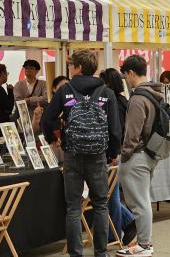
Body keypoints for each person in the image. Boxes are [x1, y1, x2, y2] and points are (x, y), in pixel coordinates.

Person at [43, 51, 122, 257]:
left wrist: (54, 138)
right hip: (98, 155)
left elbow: (48, 117)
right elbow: (115, 129)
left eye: (71, 66)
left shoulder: (65, 90)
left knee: (73, 208)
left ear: (78, 67)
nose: (69, 69)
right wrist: (113, 152)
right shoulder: (106, 92)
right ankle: (101, 253)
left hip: (73, 154)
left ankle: (75, 254)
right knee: (101, 205)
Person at [116, 55, 162, 257]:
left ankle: (144, 244)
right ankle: (144, 243)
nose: (126, 80)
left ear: (131, 73)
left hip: (137, 155)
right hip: (151, 153)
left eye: (126, 76)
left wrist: (124, 155)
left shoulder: (137, 98)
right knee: (143, 200)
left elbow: (132, 133)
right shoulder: (155, 93)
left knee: (138, 203)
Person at [99, 68, 137, 245]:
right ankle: (128, 222)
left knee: (110, 195)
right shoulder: (123, 100)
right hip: (120, 151)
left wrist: (113, 151)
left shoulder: (112, 100)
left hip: (113, 152)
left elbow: (115, 130)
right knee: (110, 194)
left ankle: (114, 234)